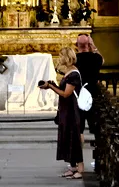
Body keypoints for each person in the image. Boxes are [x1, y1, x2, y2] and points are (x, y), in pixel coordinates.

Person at [39, 46, 84, 180]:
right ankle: (72, 166)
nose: (59, 58)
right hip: (66, 109)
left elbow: (66, 93)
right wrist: (50, 85)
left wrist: (51, 86)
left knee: (73, 137)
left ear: (66, 57)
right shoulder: (68, 72)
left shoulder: (74, 73)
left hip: (72, 110)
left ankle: (80, 168)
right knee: (67, 136)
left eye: (61, 56)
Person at [75, 34, 103, 134]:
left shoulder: (74, 59)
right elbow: (102, 60)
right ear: (89, 44)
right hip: (93, 92)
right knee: (94, 121)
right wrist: (93, 47)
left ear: (77, 45)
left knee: (79, 124)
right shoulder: (96, 58)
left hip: (79, 92)